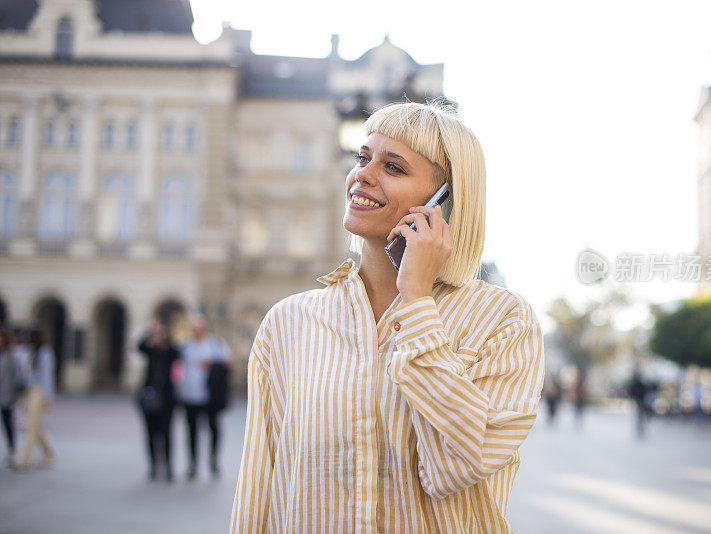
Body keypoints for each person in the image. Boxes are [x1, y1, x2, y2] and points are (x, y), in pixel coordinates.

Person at [230, 101, 545, 533]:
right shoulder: (289, 324)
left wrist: (416, 300)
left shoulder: (504, 321)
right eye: (362, 157)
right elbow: (259, 489)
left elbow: (455, 467)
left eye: (393, 167)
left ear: (446, 203)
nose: (363, 173)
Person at [177, 314, 231, 480]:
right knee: (192, 430)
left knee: (213, 428)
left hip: (210, 396)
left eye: (199, 328)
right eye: (194, 328)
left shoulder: (215, 344)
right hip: (190, 394)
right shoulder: (185, 346)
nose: (197, 331)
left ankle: (213, 460)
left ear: (205, 328)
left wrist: (211, 364)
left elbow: (228, 363)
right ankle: (193, 462)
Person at [137, 320, 180, 482]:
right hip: (149, 397)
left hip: (167, 399)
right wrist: (152, 333)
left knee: (167, 434)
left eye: (163, 334)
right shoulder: (151, 351)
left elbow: (176, 351)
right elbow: (139, 346)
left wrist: (166, 338)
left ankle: (168, 466)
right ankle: (154, 466)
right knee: (150, 434)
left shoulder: (170, 352)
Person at [19, 330, 55, 471]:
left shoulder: (45, 353)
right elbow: (26, 372)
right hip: (29, 390)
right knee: (35, 424)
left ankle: (26, 459)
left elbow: (47, 376)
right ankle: (48, 452)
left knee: (31, 426)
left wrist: (48, 398)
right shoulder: (31, 352)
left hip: (39, 391)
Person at [0, 328, 19, 469]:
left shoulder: (10, 356)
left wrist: (14, 395)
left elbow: (15, 377)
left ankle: (12, 451)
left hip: (5, 395)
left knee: (8, 423)